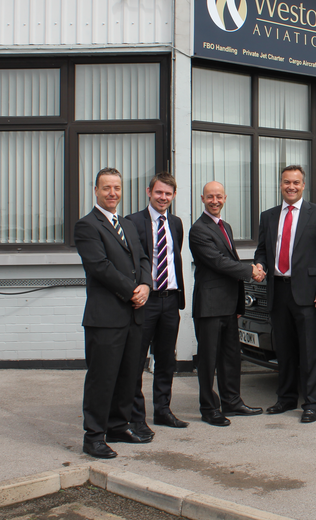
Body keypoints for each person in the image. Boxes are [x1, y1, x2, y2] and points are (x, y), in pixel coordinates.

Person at [75, 167, 153, 458]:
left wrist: (146, 284)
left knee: (128, 375)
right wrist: (132, 290)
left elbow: (144, 258)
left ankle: (119, 426)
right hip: (106, 317)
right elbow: (100, 267)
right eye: (106, 188)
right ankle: (94, 435)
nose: (112, 193)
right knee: (102, 377)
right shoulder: (87, 226)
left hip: (133, 315)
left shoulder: (128, 224)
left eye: (117, 188)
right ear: (95, 190)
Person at [253, 165, 316, 423]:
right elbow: (262, 250)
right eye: (287, 182)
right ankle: (286, 398)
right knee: (285, 349)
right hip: (278, 290)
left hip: (308, 293)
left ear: (303, 186)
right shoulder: (268, 216)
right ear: (280, 185)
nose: (291, 186)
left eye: (296, 182)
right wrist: (260, 265)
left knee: (309, 350)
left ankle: (312, 403)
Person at [189, 181, 264, 426]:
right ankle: (209, 408)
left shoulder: (225, 227)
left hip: (230, 306)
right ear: (202, 199)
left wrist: (240, 302)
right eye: (210, 197)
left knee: (231, 357)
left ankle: (232, 402)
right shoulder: (198, 230)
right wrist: (250, 270)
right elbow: (218, 262)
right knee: (209, 360)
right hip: (209, 306)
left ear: (225, 197)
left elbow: (227, 261)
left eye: (219, 196)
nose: (215, 201)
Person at [124, 172, 189, 439]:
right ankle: (135, 417)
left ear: (173, 196)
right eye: (159, 192)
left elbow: (174, 258)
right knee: (136, 361)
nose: (163, 197)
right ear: (149, 192)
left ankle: (163, 410)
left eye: (168, 194)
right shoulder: (133, 222)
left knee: (165, 360)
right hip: (146, 302)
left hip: (170, 300)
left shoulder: (176, 223)